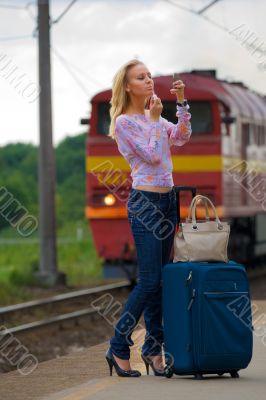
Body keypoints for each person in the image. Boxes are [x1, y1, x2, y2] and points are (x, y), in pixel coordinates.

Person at [105, 59, 192, 377]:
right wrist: (156, 121)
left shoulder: (151, 117)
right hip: (145, 204)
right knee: (150, 281)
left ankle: (153, 348)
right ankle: (118, 345)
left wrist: (180, 103)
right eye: (140, 78)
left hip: (167, 200)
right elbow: (154, 154)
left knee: (160, 281)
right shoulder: (125, 123)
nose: (149, 80)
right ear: (127, 86)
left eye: (150, 75)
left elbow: (180, 137)